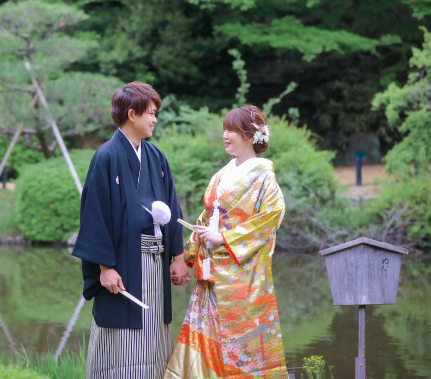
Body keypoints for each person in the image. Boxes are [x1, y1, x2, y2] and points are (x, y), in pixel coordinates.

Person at [72, 81, 190, 379]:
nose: (154, 119)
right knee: (120, 338)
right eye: (151, 113)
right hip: (123, 263)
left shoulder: (156, 157)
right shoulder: (106, 156)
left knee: (154, 331)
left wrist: (178, 256)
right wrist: (104, 267)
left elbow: (172, 209)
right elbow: (94, 214)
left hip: (156, 263)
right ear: (132, 113)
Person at [163, 105, 288, 378]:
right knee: (204, 337)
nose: (225, 135)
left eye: (231, 130)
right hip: (210, 272)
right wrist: (185, 256)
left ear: (249, 135)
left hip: (242, 274)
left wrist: (224, 237)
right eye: (225, 130)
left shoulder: (264, 177)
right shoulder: (221, 175)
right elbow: (206, 218)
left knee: (243, 344)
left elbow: (271, 217)